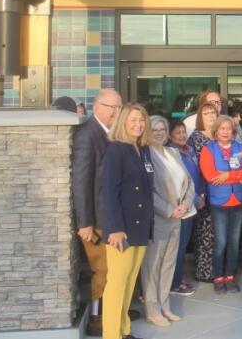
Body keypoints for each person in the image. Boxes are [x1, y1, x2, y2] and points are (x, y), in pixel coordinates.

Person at [71, 88, 123, 337]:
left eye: (119, 107)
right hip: (96, 221)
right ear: (98, 107)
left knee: (112, 270)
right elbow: (81, 182)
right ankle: (96, 318)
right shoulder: (87, 135)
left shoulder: (109, 133)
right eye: (113, 107)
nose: (117, 112)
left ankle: (111, 312)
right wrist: (85, 223)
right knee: (102, 269)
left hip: (109, 217)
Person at [101, 103, 154, 339]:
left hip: (140, 225)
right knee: (116, 284)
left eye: (142, 120)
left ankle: (123, 329)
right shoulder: (116, 149)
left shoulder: (142, 149)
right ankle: (111, 335)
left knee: (130, 281)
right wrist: (115, 228)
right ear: (123, 121)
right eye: (133, 120)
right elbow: (109, 192)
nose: (138, 124)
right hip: (121, 229)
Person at [141, 115, 195, 326]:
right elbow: (148, 190)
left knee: (169, 264)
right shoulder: (145, 155)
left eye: (163, 129)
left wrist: (185, 205)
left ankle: (164, 306)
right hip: (159, 218)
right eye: (155, 129)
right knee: (152, 266)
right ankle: (152, 310)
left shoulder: (173, 152)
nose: (160, 133)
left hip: (178, 216)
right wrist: (168, 209)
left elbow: (189, 182)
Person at [200, 115, 242, 294]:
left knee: (234, 242)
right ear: (216, 131)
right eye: (222, 128)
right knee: (221, 241)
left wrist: (227, 175)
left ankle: (231, 276)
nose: (226, 132)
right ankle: (218, 276)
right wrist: (236, 175)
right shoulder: (208, 149)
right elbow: (210, 175)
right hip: (219, 201)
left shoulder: (240, 147)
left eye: (229, 128)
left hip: (239, 200)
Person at [169, 119, 205, 296]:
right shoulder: (172, 154)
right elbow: (184, 182)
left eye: (183, 132)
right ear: (170, 136)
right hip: (183, 205)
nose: (182, 135)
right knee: (179, 247)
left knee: (183, 245)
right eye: (177, 133)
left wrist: (202, 194)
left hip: (193, 203)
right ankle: (175, 282)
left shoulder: (189, 150)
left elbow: (197, 175)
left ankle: (178, 278)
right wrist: (197, 198)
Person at [187, 102, 219, 282]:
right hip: (203, 189)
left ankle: (217, 269)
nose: (211, 116)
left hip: (221, 190)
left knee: (217, 233)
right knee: (204, 232)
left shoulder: (219, 135)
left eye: (213, 113)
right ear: (200, 117)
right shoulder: (196, 137)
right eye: (206, 113)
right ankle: (204, 271)